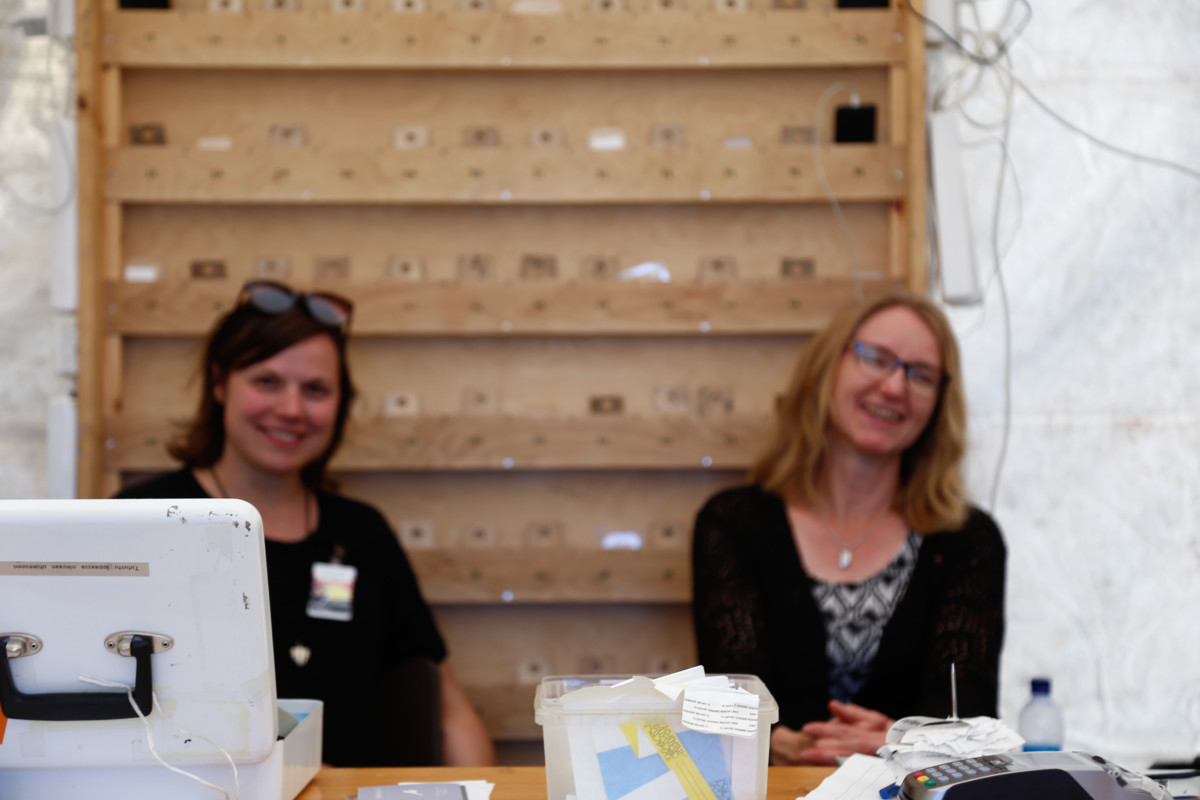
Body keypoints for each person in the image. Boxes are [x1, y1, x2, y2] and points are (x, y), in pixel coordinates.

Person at [117, 279, 495, 768]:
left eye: (315, 389)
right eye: (267, 381)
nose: (291, 410)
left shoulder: (363, 534)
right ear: (219, 383)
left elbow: (450, 714)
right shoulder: (143, 521)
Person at [691, 290, 1005, 766]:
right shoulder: (732, 525)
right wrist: (780, 746)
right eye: (876, 358)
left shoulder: (969, 541)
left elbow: (966, 717)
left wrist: (897, 745)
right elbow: (731, 709)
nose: (894, 387)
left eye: (920, 375)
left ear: (940, 404)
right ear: (828, 368)